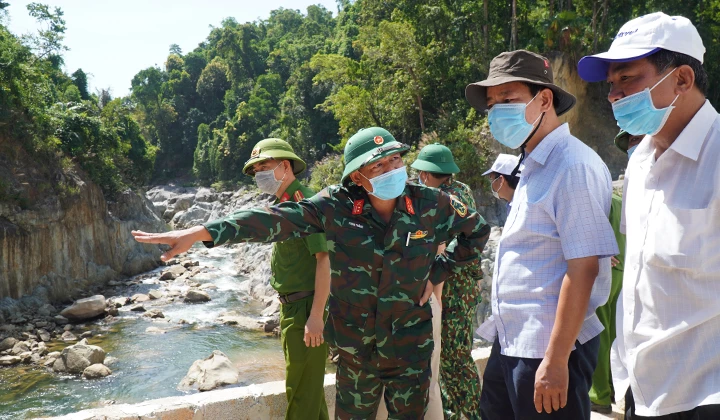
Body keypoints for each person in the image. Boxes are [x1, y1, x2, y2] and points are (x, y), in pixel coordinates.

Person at [133, 127, 491, 419]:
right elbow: (273, 220)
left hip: (410, 349)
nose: (392, 169)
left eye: (395, 160)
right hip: (357, 354)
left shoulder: (431, 203)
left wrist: (439, 271)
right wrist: (199, 233)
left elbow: (477, 233)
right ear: (358, 176)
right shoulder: (337, 206)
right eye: (378, 166)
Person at [578, 12, 720, 419]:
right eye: (611, 83)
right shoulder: (640, 162)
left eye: (628, 79)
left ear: (682, 80)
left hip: (706, 395)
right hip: (641, 391)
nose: (613, 95)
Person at [466, 49, 618, 420]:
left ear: (544, 99)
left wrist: (555, 361)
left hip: (549, 351)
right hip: (515, 342)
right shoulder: (533, 165)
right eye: (491, 103)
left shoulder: (572, 165)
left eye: (508, 98)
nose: (496, 111)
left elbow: (582, 269)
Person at [238, 138, 330, 420]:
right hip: (292, 309)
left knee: (301, 394)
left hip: (306, 308)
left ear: (285, 165)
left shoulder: (305, 204)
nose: (259, 175)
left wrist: (316, 316)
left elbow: (324, 260)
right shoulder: (283, 203)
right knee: (309, 392)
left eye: (263, 167)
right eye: (255, 171)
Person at [411, 143, 483, 420]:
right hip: (464, 285)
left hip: (448, 286)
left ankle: (467, 414)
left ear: (428, 175)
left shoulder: (438, 200)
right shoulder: (462, 190)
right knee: (458, 354)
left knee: (450, 358)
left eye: (420, 173)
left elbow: (439, 246)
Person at [588, 130, 639, 415]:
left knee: (599, 335)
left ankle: (600, 394)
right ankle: (609, 388)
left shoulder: (600, 201)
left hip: (604, 274)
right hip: (623, 273)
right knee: (615, 335)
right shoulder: (620, 198)